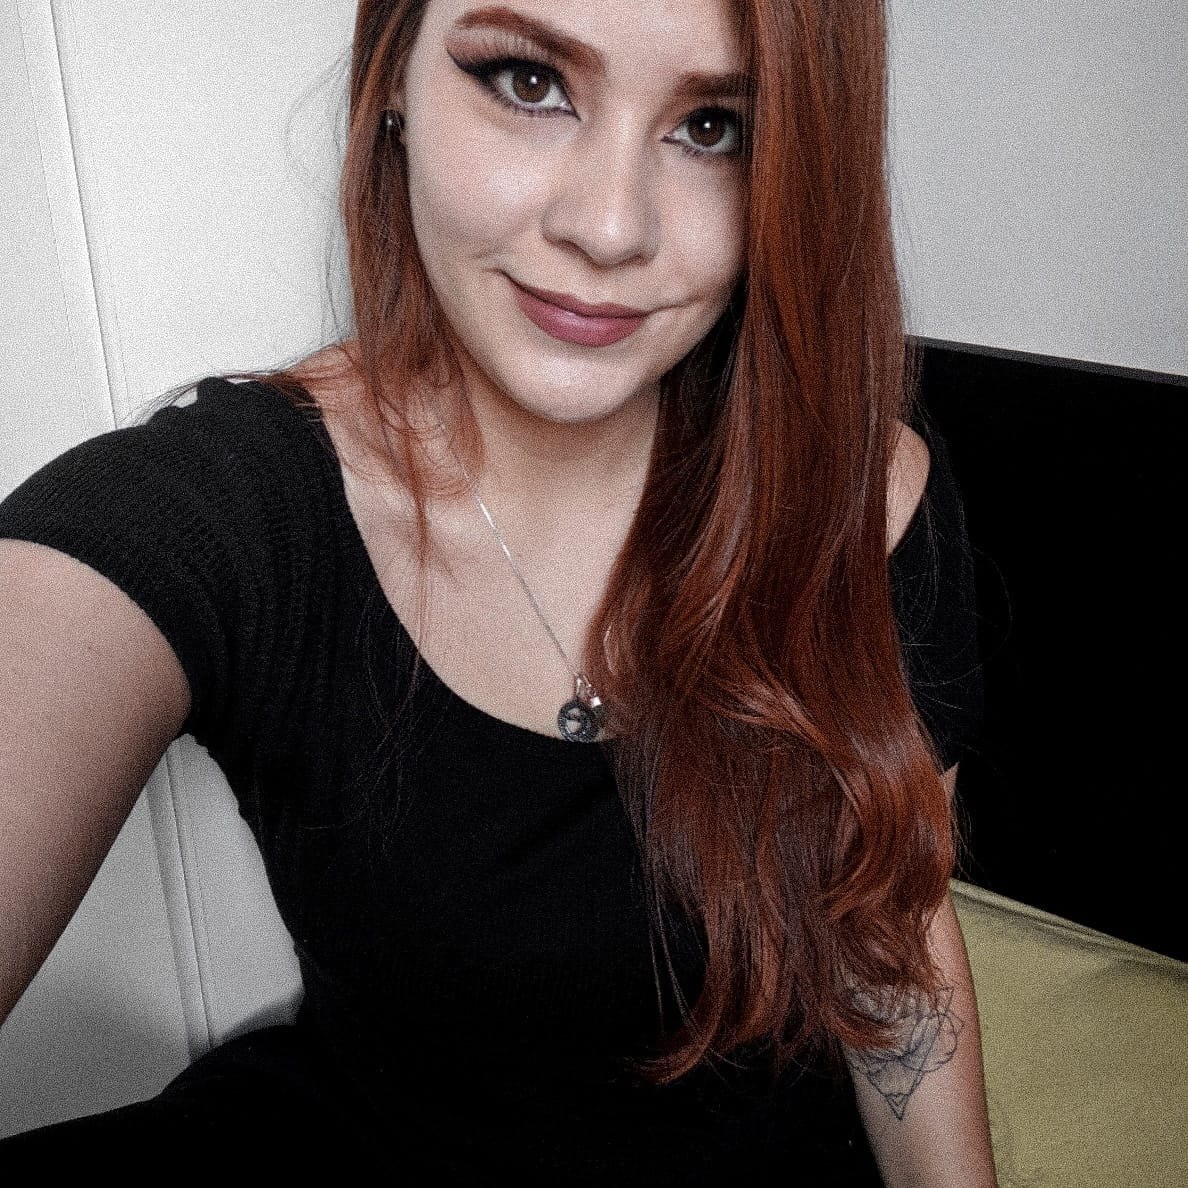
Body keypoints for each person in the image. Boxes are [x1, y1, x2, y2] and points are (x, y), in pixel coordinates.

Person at [0, 0, 997, 1183]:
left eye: (715, 127)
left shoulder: (862, 495)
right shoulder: (228, 513)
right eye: (528, 81)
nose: (611, 226)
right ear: (393, 79)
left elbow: (890, 929)